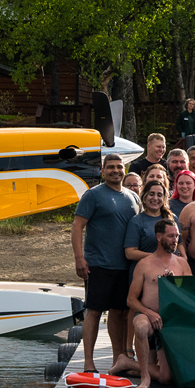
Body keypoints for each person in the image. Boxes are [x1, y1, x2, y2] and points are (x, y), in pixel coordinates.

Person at [71, 154, 141, 373]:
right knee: (94, 311)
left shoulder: (133, 197)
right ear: (102, 170)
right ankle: (88, 363)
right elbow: (77, 226)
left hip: (125, 266)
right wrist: (79, 258)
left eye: (119, 167)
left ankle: (117, 359)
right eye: (110, 167)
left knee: (119, 312)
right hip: (98, 265)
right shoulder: (93, 195)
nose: (115, 170)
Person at [122, 219, 191, 388]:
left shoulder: (182, 263)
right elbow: (131, 300)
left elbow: (190, 296)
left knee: (166, 378)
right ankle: (145, 377)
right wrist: (149, 313)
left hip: (170, 319)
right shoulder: (144, 264)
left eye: (176, 236)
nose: (175, 240)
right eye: (170, 236)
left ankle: (127, 363)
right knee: (141, 326)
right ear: (159, 237)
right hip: (148, 314)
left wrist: (174, 284)